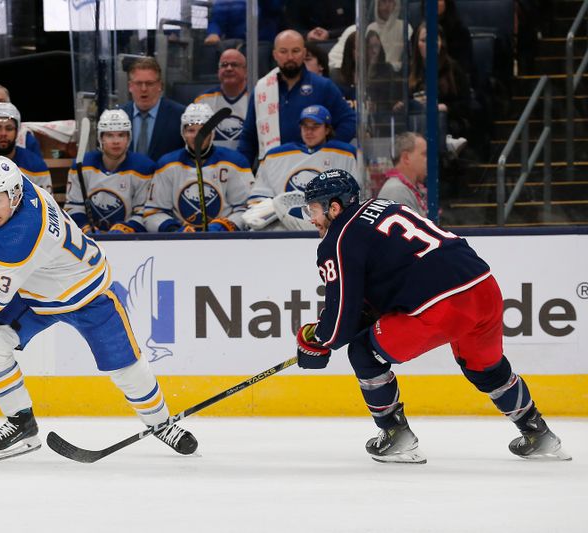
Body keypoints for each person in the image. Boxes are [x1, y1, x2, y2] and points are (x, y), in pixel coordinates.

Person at [0, 156, 198, 461]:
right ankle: (22, 423)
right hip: (35, 291)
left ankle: (161, 424)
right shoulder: (11, 181)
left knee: (127, 368)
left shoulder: (22, 233)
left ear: (14, 195)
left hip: (86, 293)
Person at [295, 169, 571, 463]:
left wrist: (317, 338)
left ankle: (395, 437)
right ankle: (539, 435)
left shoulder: (337, 240)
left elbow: (339, 324)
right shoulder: (386, 206)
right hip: (483, 286)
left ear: (333, 207)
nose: (311, 218)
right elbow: (400, 268)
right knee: (485, 368)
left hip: (441, 306)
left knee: (364, 352)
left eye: (313, 209)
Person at [237, 30, 356, 167]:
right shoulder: (262, 88)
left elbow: (350, 120)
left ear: (304, 53)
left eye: (295, 51)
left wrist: (327, 149)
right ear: (275, 55)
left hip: (314, 168)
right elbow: (249, 137)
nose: (290, 57)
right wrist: (241, 172)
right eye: (283, 51)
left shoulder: (323, 86)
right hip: (273, 171)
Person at [243, 104, 355, 231]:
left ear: (327, 129)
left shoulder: (345, 154)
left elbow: (353, 200)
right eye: (305, 126)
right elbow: (258, 200)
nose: (309, 131)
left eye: (315, 126)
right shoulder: (275, 156)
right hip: (282, 227)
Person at [144, 103, 253, 232]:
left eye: (203, 130)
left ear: (212, 132)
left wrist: (223, 226)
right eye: (191, 130)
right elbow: (152, 213)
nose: (197, 136)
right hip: (180, 245)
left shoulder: (235, 162)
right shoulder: (167, 165)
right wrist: (173, 230)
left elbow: (247, 209)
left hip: (225, 243)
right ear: (183, 133)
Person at [65, 109, 155, 233]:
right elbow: (73, 207)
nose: (116, 141)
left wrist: (126, 228)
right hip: (89, 242)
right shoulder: (82, 166)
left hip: (130, 243)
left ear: (128, 138)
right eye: (109, 135)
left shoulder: (143, 167)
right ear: (100, 138)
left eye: (121, 135)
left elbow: (144, 212)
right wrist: (84, 227)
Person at [408, 22, 470, 156]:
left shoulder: (454, 69)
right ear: (417, 45)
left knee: (436, 117)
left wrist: (445, 107)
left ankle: (442, 150)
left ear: (441, 43)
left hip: (448, 121)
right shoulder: (409, 71)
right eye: (424, 40)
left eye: (434, 40)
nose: (429, 44)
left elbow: (467, 105)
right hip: (415, 124)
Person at [121, 57, 186, 163]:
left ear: (160, 85)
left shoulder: (181, 116)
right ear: (130, 86)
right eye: (138, 83)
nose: (143, 89)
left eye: (149, 83)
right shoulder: (118, 115)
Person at [193, 48, 249, 150]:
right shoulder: (202, 101)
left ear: (245, 71)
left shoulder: (256, 99)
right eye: (224, 65)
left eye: (234, 65)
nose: (228, 68)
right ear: (218, 71)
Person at [378, 132, 427, 216]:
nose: (427, 160)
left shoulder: (405, 188)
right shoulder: (397, 191)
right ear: (406, 158)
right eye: (424, 154)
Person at [203, 0, 282, 45]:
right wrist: (214, 33)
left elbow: (274, 8)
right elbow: (217, 18)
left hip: (264, 44)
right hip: (236, 45)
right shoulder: (228, 2)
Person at [366, 0, 413, 71]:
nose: (387, 5)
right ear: (377, 5)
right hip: (374, 75)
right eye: (383, 1)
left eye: (390, 1)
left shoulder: (405, 27)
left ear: (396, 4)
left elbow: (410, 59)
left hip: (397, 76)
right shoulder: (371, 28)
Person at [283, 0, 355, 43]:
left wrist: (330, 34)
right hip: (307, 44)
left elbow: (355, 26)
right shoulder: (296, 2)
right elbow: (291, 25)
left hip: (341, 41)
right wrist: (307, 35)